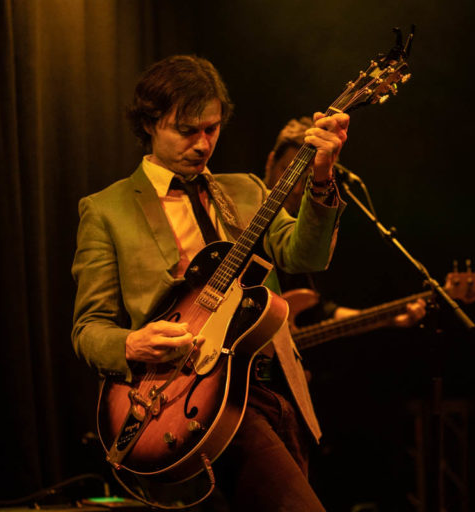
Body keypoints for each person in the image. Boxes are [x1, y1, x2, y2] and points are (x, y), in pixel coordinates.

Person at [71, 55, 349, 511]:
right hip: (183, 399)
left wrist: (321, 177)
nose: (203, 144)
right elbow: (88, 329)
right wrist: (132, 343)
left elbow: (306, 257)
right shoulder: (106, 209)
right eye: (187, 130)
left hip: (274, 387)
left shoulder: (246, 189)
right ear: (150, 123)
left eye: (212, 129)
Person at [264, 116, 425, 328]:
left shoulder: (307, 238)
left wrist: (390, 319)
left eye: (306, 179)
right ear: (271, 162)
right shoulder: (238, 211)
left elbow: (321, 313)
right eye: (287, 172)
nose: (296, 189)